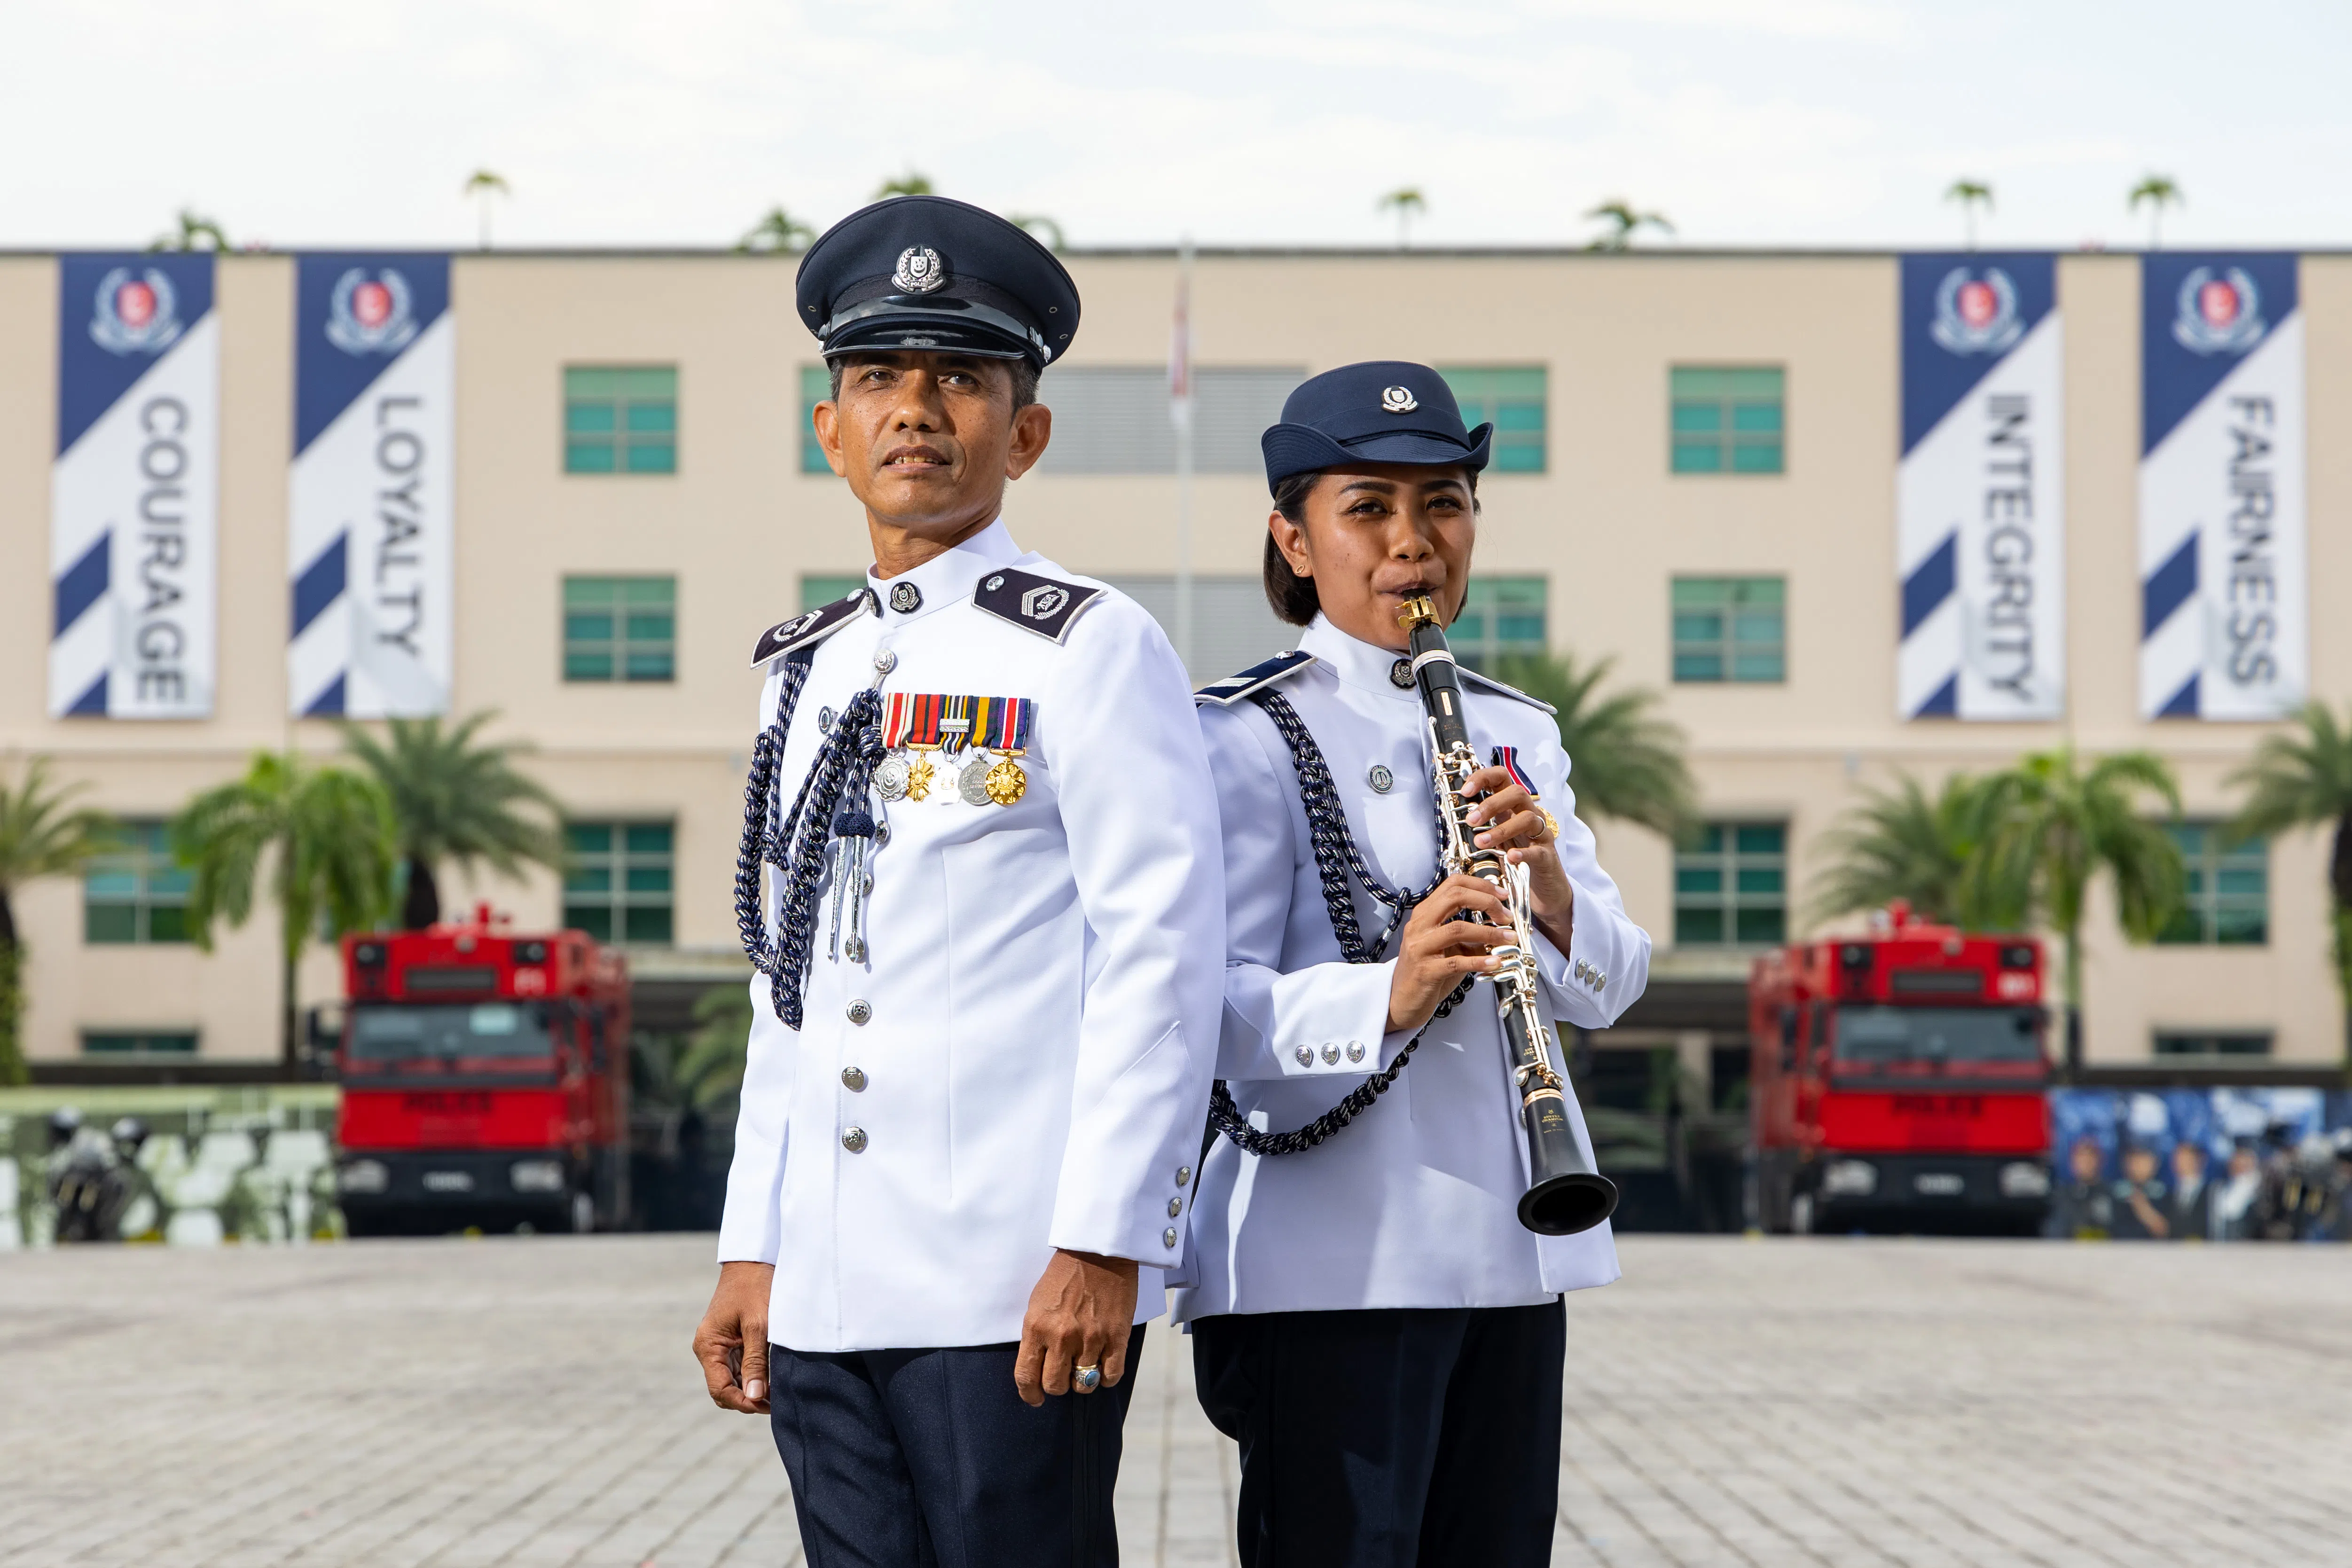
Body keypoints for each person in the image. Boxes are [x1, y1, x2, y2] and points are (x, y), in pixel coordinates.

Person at [690, 196, 1225, 1568]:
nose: (915, 408)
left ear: (1025, 430)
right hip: (825, 1286)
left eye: (961, 378)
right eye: (878, 376)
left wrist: (1107, 1242)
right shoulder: (804, 669)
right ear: (832, 428)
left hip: (1011, 1286)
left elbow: (1162, 963)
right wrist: (754, 1241)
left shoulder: (1086, 647)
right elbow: (789, 982)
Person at [1174, 362, 1651, 1568]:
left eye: (1441, 503)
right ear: (1292, 535)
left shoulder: (1518, 731)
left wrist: (1543, 882)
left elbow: (1612, 981)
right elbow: (1193, 1005)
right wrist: (1386, 987)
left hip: (1508, 1243)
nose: (1411, 543)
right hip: (1327, 1258)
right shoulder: (1235, 733)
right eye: (1367, 508)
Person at [2044, 1136, 2112, 1239]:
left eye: (2091, 1156)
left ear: (2101, 1161)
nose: (2086, 1162)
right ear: (2072, 1163)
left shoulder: (2112, 1194)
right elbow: (2054, 1231)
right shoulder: (2060, 1196)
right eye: (2080, 1157)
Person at [2108, 1143, 2171, 1240]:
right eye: (2134, 1161)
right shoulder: (2114, 1192)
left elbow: (2166, 1230)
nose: (2138, 1166)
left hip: (2155, 1250)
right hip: (2118, 1249)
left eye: (2143, 1161)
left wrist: (2143, 1208)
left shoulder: (2166, 1193)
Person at [2163, 1139, 2213, 1242]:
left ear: (2200, 1160)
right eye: (2177, 1158)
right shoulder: (2168, 1193)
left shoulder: (2213, 1192)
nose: (2180, 1163)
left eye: (2186, 1158)